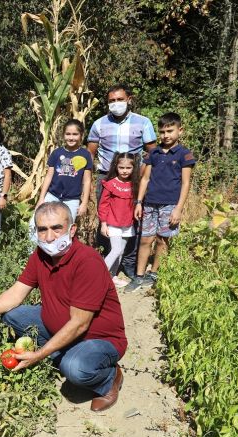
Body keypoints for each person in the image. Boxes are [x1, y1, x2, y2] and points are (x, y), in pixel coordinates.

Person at [0, 202, 127, 412]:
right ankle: (61, 351)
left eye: (57, 228)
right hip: (60, 325)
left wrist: (39, 354)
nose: (49, 236)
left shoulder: (87, 261)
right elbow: (16, 293)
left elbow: (80, 324)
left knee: (74, 368)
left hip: (98, 338)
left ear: (72, 230)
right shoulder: (40, 255)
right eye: (42, 229)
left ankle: (109, 379)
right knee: (12, 315)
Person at [87, 84, 157, 277]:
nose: (115, 103)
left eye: (119, 99)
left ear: (129, 99)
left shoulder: (143, 123)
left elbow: (153, 153)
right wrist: (88, 180)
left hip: (133, 179)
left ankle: (128, 263)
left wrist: (142, 174)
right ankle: (109, 265)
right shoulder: (99, 124)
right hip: (106, 177)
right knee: (106, 219)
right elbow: (89, 155)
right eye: (111, 101)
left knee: (132, 219)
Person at [125, 112, 195, 292]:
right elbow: (145, 179)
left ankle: (154, 272)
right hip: (149, 203)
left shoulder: (184, 155)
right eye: (162, 131)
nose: (166, 135)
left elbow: (186, 183)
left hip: (170, 204)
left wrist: (178, 209)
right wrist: (139, 202)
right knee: (145, 239)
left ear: (180, 131)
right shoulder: (153, 153)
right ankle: (139, 275)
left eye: (170, 131)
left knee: (163, 240)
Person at [31, 119, 93, 242]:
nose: (71, 137)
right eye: (68, 134)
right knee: (34, 223)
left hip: (72, 199)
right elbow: (49, 176)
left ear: (81, 136)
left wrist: (84, 203)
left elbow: (87, 181)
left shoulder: (85, 155)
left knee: (66, 229)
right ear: (63, 135)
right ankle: (32, 252)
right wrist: (41, 198)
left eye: (75, 134)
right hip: (52, 196)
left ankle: (60, 256)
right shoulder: (56, 153)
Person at [98, 153, 141, 288]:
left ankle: (112, 276)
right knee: (115, 250)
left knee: (121, 251)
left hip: (127, 224)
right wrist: (103, 224)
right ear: (116, 167)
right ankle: (99, 277)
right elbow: (103, 205)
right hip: (112, 223)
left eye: (128, 168)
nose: (124, 171)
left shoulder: (134, 185)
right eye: (121, 167)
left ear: (133, 168)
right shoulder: (111, 184)